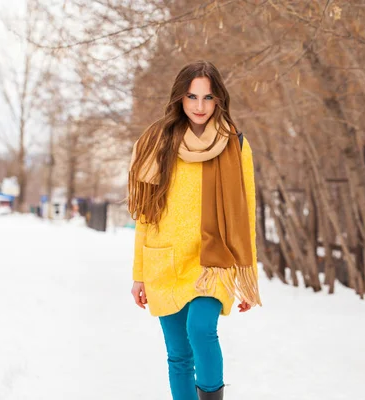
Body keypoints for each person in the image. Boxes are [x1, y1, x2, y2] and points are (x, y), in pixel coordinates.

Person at [128, 60, 262, 400]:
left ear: (218, 100)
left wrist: (249, 276)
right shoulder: (156, 144)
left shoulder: (236, 145)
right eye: (192, 97)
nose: (199, 106)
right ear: (179, 99)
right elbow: (145, 214)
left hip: (212, 259)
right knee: (178, 357)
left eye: (207, 97)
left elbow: (246, 214)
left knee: (201, 330)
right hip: (164, 260)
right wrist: (139, 273)